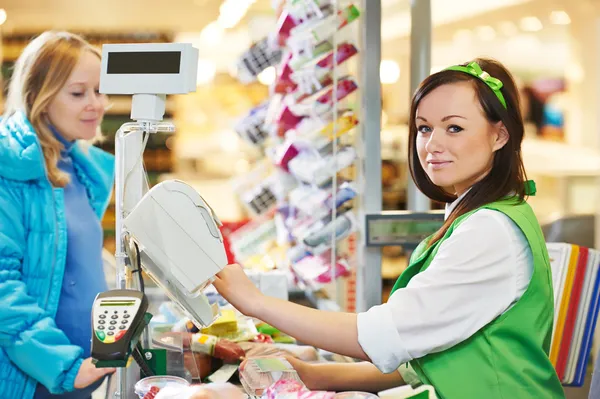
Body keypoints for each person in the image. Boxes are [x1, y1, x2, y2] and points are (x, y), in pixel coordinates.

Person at [212, 58, 566, 398]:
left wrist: (257, 303)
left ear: (500, 135)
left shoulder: (489, 231)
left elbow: (386, 334)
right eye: (425, 128)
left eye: (454, 127)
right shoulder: (481, 215)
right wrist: (313, 372)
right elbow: (425, 354)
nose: (432, 144)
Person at [0, 31, 115, 398]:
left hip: (82, 371)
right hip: (35, 378)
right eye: (79, 93)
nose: (96, 104)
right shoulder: (10, 170)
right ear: (40, 97)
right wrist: (63, 365)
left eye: (99, 90)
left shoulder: (83, 171)